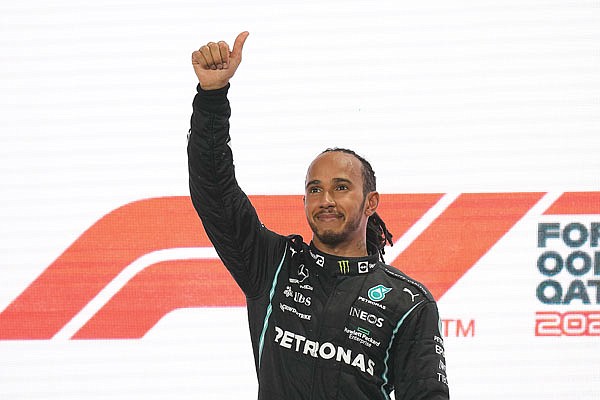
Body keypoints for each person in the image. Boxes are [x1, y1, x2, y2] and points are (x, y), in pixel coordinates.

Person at [187, 31, 449, 400]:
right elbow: (215, 191)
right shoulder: (272, 265)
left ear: (371, 202)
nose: (325, 199)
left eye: (341, 187)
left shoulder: (408, 302)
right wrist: (212, 98)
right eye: (315, 189)